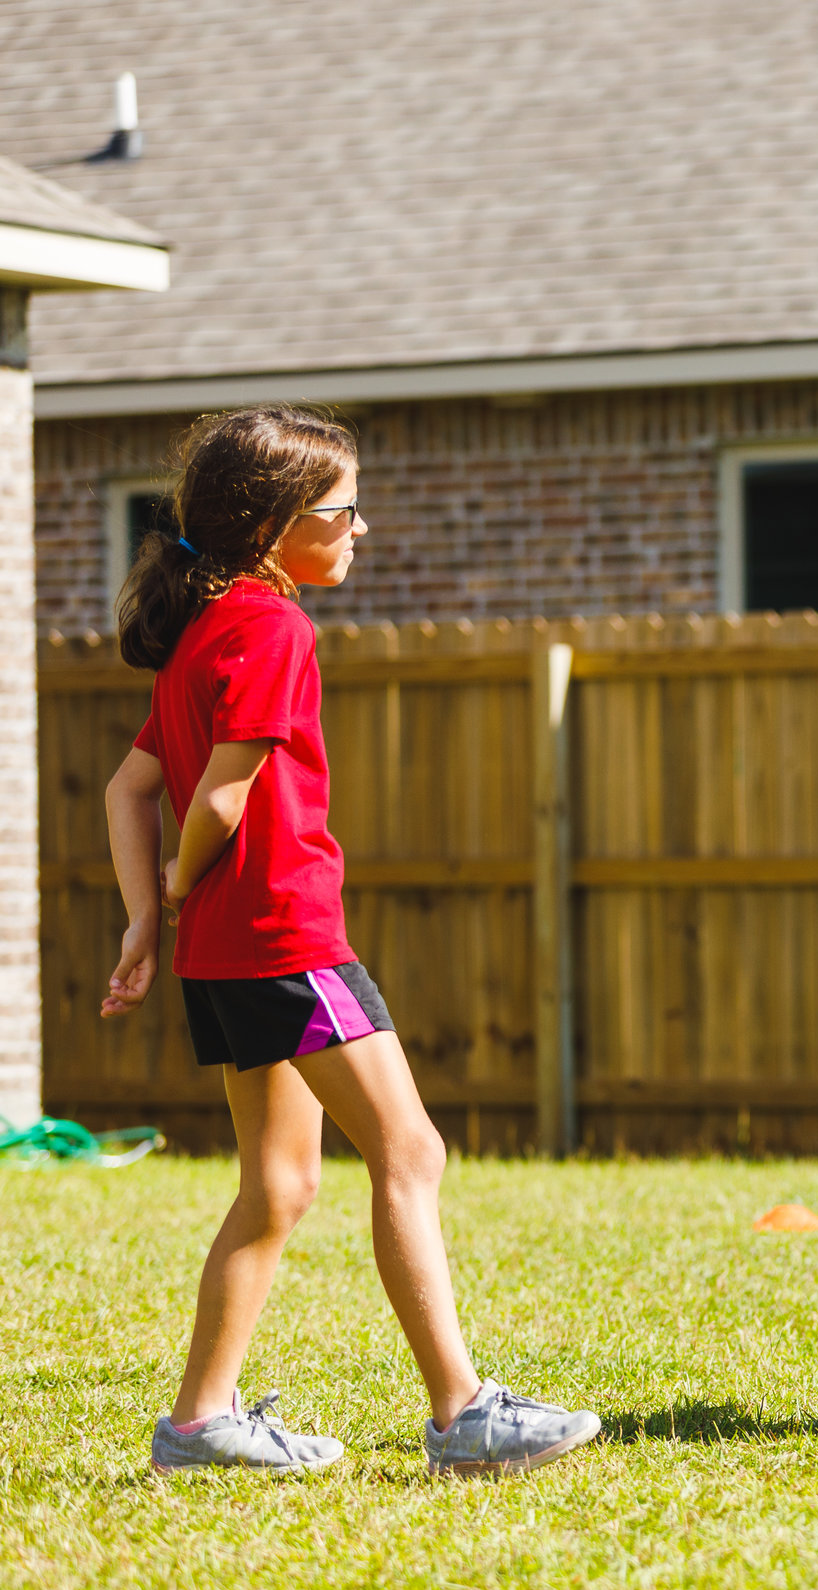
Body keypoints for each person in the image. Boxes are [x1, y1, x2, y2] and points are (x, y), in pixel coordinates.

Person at [98, 405, 603, 1476]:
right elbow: (221, 800)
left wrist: (147, 913)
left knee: (277, 1185)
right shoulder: (274, 626)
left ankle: (198, 1424)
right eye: (343, 508)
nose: (362, 526)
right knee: (410, 1151)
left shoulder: (202, 628)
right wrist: (182, 880)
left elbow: (127, 785)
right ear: (276, 523)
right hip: (285, 936)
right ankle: (463, 1412)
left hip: (225, 955)